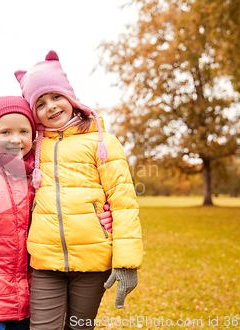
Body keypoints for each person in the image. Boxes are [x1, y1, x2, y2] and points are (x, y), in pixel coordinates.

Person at [0, 96, 115, 330]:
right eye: (5, 132)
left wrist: (103, 215)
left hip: (27, 302)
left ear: (33, 136)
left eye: (23, 132)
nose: (15, 139)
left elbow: (64, 208)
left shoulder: (35, 179)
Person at [14, 50, 143, 329]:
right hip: (45, 261)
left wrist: (127, 262)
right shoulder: (32, 147)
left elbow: (123, 203)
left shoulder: (102, 142)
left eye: (56, 96)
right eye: (40, 103)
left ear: (70, 97)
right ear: (33, 113)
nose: (51, 107)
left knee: (79, 327)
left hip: (93, 261)